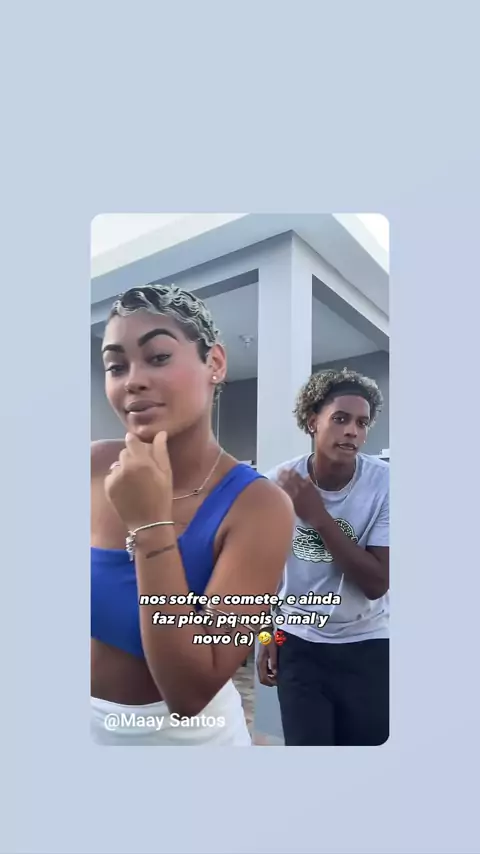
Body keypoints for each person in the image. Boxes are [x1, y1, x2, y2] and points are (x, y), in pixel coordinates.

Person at [91, 284, 294, 745]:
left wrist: (150, 526)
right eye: (116, 366)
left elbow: (190, 691)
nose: (132, 381)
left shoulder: (259, 506)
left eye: (158, 357)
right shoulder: (92, 466)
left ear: (215, 363)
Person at [257, 368, 389, 746]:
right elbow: (265, 572)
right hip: (297, 643)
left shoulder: (384, 483)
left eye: (362, 423)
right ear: (313, 421)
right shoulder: (276, 484)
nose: (352, 431)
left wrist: (317, 516)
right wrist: (266, 635)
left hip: (367, 644)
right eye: (341, 419)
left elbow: (376, 583)